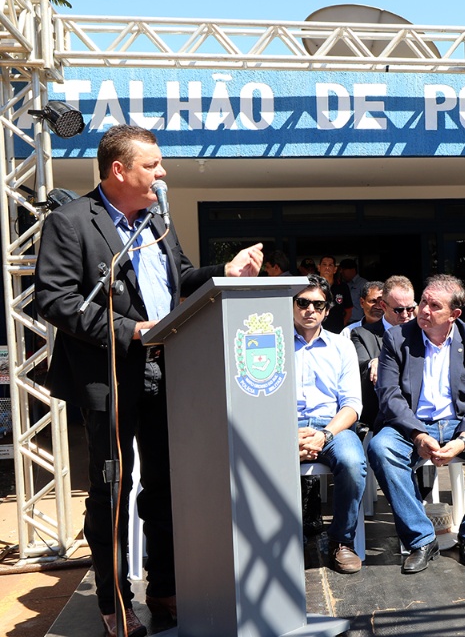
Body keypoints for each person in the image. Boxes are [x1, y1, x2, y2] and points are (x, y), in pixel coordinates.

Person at [34, 125, 263, 637]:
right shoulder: (72, 222)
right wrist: (130, 330)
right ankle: (115, 600)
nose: (163, 173)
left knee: (166, 485)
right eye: (152, 165)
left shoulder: (158, 217)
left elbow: (180, 278)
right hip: (111, 375)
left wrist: (224, 271)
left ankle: (165, 586)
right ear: (119, 170)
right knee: (113, 491)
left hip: (170, 370)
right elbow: (55, 300)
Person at [368, 275, 465, 573]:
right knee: (381, 447)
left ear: (454, 314)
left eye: (434, 306)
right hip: (412, 424)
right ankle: (421, 539)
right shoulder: (398, 338)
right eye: (423, 302)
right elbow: (389, 395)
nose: (423, 310)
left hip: (460, 423)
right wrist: (417, 433)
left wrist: (464, 439)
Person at [293, 275, 366, 574]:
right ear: (291, 305)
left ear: (326, 310)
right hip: (286, 425)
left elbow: (352, 405)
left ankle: (341, 541)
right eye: (302, 302)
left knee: (352, 462)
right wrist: (287, 436)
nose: (310, 309)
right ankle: (281, 541)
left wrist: (324, 435)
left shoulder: (342, 346)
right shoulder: (272, 345)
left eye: (318, 304)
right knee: (257, 458)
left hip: (332, 426)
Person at [351, 276, 416, 429]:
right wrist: (373, 362)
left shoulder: (423, 333)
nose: (405, 315)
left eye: (410, 309)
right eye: (398, 310)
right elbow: (360, 366)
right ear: (383, 306)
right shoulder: (362, 334)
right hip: (382, 418)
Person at [317, 255, 353, 333]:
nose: (327, 267)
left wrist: (342, 325)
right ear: (319, 267)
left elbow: (349, 310)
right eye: (324, 264)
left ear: (335, 269)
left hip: (337, 331)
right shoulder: (312, 286)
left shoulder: (342, 287)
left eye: (330, 265)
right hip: (316, 330)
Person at [339, 259, 368, 325]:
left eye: (344, 270)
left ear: (352, 270)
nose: (341, 272)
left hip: (358, 322)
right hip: (344, 322)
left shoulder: (363, 284)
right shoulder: (342, 284)